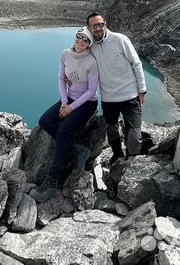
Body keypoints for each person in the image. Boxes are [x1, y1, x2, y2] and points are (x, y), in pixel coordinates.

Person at [30, 27, 99, 202]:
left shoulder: (91, 62)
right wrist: (63, 102)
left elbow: (91, 91)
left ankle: (53, 182)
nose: (81, 41)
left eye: (86, 40)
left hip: (86, 103)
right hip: (68, 98)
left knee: (63, 132)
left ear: (89, 44)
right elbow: (61, 78)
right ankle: (76, 149)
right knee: (45, 121)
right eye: (79, 36)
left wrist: (71, 107)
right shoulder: (65, 54)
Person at [87, 12, 146, 164]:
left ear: (105, 24)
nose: (98, 28)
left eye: (101, 24)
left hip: (130, 96)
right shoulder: (90, 45)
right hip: (108, 98)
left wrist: (142, 90)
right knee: (111, 132)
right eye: (94, 26)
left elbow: (136, 63)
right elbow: (78, 58)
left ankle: (131, 162)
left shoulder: (119, 39)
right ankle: (118, 156)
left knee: (133, 135)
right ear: (89, 28)